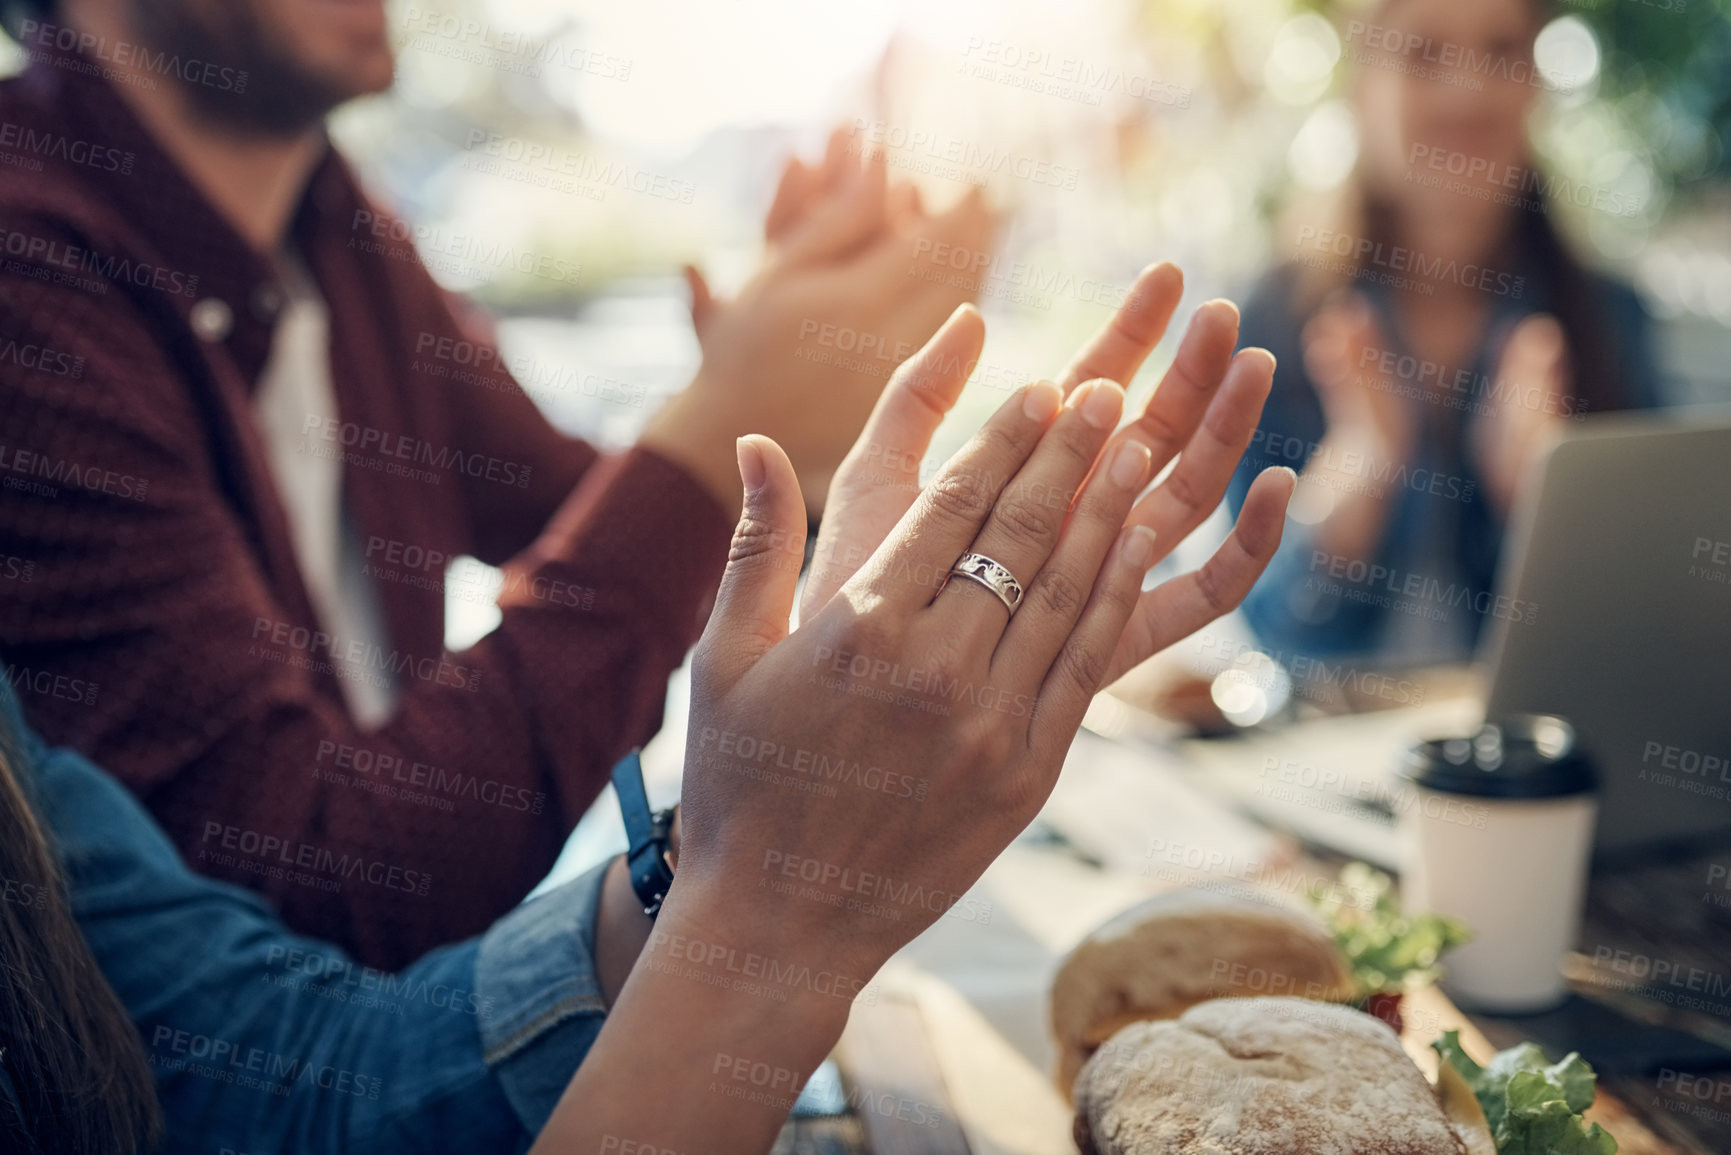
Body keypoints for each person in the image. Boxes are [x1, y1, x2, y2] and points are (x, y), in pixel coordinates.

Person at [1, 287, 1298, 1154]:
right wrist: (772, 909)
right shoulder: (42, 294)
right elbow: (338, 869)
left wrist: (721, 840)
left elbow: (288, 1070)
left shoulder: (341, 236)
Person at [0, 0, 993, 969]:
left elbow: (568, 510)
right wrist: (714, 431)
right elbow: (320, 889)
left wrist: (785, 428)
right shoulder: (28, 272)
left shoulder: (339, 235)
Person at [1226, 0, 1660, 666]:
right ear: (1361, 86)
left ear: (1534, 84)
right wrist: (1356, 477)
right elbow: (1255, 620)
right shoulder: (1269, 320)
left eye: (1500, 52)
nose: (1468, 92)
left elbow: (1643, 634)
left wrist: (1549, 507)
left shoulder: (1612, 320)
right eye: (1425, 53)